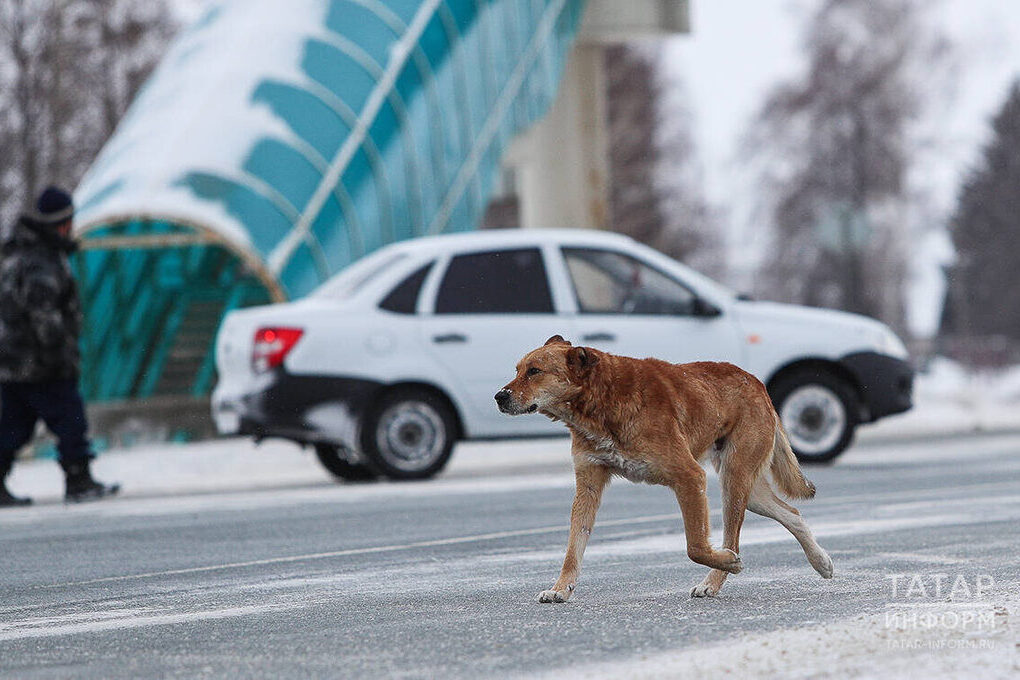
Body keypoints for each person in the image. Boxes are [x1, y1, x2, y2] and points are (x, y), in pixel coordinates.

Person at [0, 186, 120, 506]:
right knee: (70, 420)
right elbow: (43, 312)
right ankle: (78, 479)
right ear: (63, 222)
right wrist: (59, 354)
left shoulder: (17, 252)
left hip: (12, 362)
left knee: (12, 426)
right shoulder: (42, 259)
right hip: (41, 363)